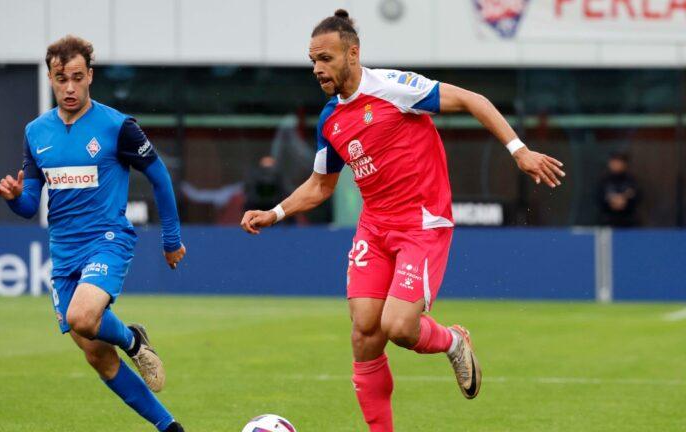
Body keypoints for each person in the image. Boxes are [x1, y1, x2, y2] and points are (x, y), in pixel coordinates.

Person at [240, 10, 565, 432]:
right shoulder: (330, 120)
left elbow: (472, 100)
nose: (318, 68)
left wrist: (518, 150)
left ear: (352, 54)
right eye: (312, 60)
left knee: (397, 326)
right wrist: (276, 212)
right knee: (364, 332)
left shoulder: (393, 88)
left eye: (326, 58)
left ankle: (451, 340)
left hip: (422, 223)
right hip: (374, 229)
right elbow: (321, 186)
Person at [0, 35, 187, 432]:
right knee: (97, 355)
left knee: (82, 317)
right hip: (63, 253)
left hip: (107, 239)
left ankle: (133, 340)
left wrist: (171, 238)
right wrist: (14, 198)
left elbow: (161, 178)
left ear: (90, 77)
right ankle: (169, 427)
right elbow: (31, 205)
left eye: (77, 77)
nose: (69, 87)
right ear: (50, 77)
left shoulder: (118, 127)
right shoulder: (36, 132)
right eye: (61, 78)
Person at [598, 151, 640, 227]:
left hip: (628, 220)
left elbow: (637, 196)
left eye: (619, 162)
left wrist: (624, 200)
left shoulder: (631, 181)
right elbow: (598, 197)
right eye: (614, 162)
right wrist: (612, 201)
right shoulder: (604, 181)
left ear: (625, 164)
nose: (617, 164)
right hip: (607, 220)